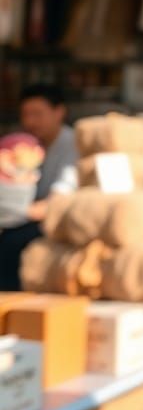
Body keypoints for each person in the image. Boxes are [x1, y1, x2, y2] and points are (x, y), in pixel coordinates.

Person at [0, 84, 79, 289]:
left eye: (37, 114)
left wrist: (17, 211)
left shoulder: (73, 145)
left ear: (59, 112)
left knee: (12, 242)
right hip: (24, 217)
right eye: (26, 114)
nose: (30, 121)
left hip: (56, 223)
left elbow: (56, 203)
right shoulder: (27, 146)